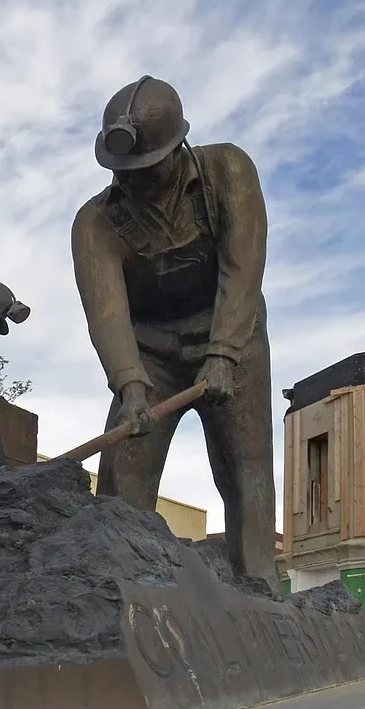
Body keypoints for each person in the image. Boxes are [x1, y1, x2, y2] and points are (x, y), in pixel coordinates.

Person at [70, 75, 279, 590]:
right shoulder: (96, 221)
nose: (132, 180)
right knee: (123, 479)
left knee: (245, 473)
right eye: (123, 170)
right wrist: (130, 385)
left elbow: (243, 267)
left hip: (232, 331)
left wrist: (225, 353)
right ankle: (118, 596)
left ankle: (260, 592)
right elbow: (108, 313)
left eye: (144, 168)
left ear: (178, 147)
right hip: (149, 352)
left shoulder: (228, 169)